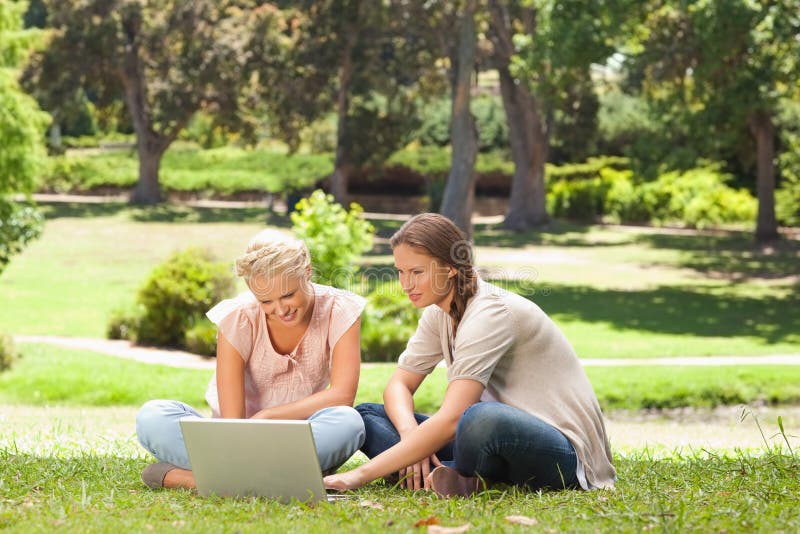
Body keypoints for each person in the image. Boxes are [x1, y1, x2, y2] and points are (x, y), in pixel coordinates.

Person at [324, 213, 616, 497]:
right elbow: (399, 386)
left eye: (417, 272)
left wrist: (358, 475)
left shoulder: (491, 312)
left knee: (478, 419)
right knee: (369, 416)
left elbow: (452, 419)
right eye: (401, 271)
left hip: (561, 452)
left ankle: (447, 474)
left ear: (450, 267)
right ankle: (458, 477)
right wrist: (411, 436)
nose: (405, 284)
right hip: (486, 446)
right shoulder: (437, 313)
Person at [136, 229, 366, 489]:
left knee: (349, 423)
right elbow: (233, 422)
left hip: (298, 437)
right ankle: (283, 478)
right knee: (152, 415)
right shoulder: (239, 316)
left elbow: (342, 395)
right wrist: (246, 437)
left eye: (288, 295)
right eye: (266, 301)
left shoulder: (339, 309)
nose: (280, 310)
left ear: (307, 272)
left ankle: (200, 480)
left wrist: (268, 417)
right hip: (234, 438)